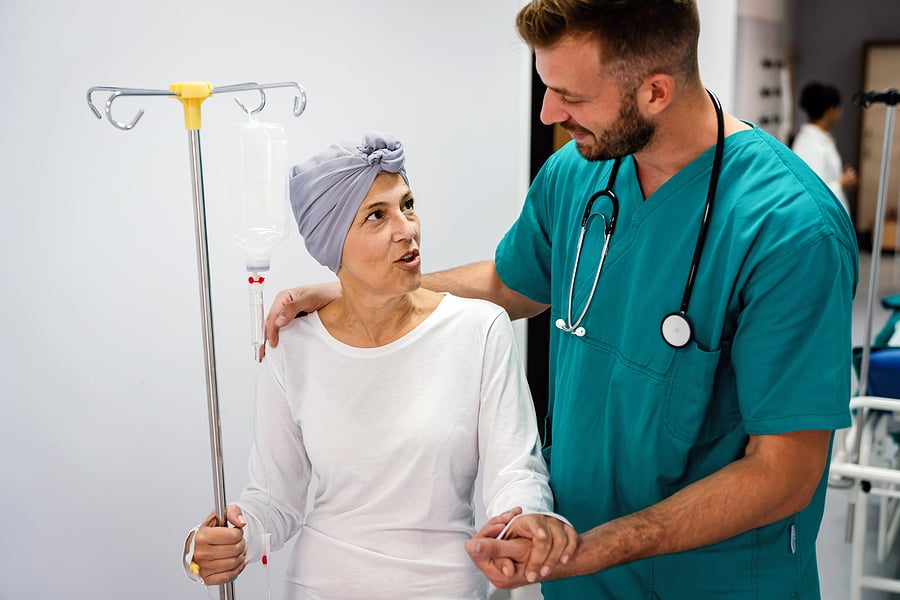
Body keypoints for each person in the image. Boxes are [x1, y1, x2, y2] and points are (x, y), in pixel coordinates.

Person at [263, 2, 859, 598]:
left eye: (570, 95)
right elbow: (511, 282)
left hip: (712, 580)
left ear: (654, 91)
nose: (549, 111)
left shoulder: (792, 229)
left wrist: (596, 547)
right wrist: (369, 288)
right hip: (577, 577)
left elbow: (784, 474)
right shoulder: (576, 173)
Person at [182, 132, 575, 599]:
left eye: (408, 205)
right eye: (377, 216)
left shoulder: (479, 329)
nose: (407, 228)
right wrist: (228, 540)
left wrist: (529, 520)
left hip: (445, 588)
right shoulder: (293, 348)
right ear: (332, 247)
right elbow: (274, 500)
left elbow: (515, 472)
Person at [791, 81, 858, 216]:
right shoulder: (810, 145)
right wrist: (842, 183)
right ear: (831, 110)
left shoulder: (819, 138)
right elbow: (812, 193)